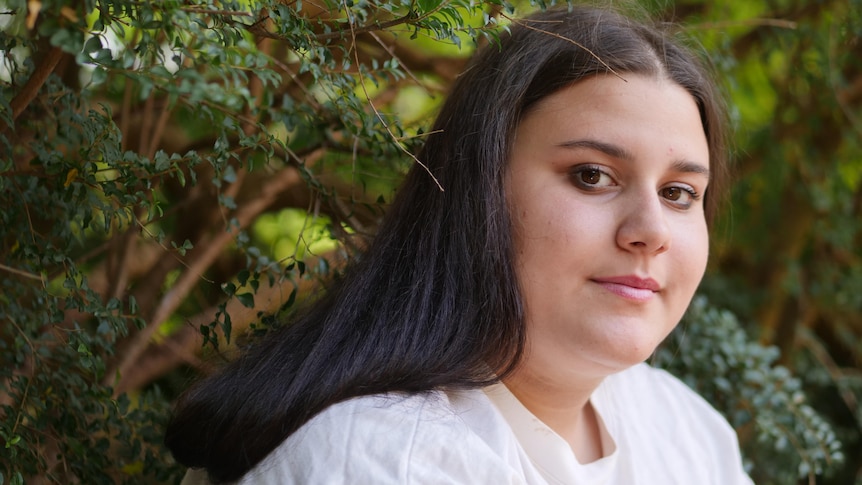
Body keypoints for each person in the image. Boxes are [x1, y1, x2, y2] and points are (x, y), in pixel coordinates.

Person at [166, 4, 754, 484]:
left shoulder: (687, 431)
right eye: (591, 175)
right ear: (478, 187)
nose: (650, 231)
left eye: (679, 193)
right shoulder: (379, 460)